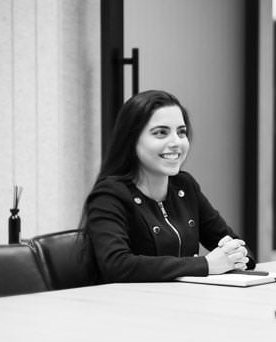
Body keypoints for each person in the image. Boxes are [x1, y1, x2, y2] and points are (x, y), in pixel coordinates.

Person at [82, 90, 255, 283]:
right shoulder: (108, 196)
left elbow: (239, 247)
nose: (176, 142)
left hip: (182, 298)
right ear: (131, 140)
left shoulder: (185, 186)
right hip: (128, 300)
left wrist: (236, 255)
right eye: (161, 133)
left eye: (181, 132)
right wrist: (206, 264)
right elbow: (117, 265)